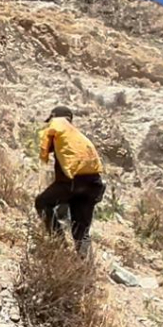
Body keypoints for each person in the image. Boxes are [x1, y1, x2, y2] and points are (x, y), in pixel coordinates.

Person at [35, 106, 105, 256]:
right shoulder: (80, 137)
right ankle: (85, 264)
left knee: (42, 202)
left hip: (71, 183)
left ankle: (59, 245)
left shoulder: (58, 124)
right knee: (81, 232)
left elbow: (46, 144)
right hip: (93, 185)